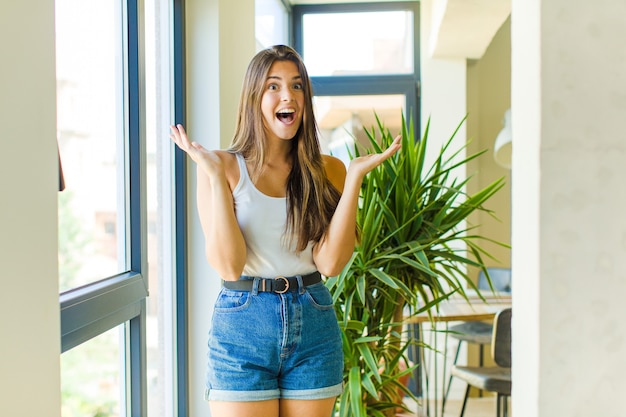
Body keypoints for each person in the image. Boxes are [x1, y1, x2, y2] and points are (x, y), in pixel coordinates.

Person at [170, 45, 401, 417]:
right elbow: (229, 266)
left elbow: (330, 263)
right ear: (254, 98)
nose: (288, 96)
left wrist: (355, 178)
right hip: (243, 323)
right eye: (274, 86)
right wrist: (214, 178)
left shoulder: (330, 170)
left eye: (297, 86)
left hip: (312, 318)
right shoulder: (222, 167)